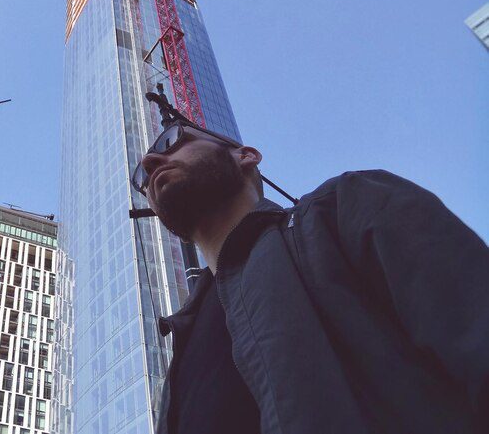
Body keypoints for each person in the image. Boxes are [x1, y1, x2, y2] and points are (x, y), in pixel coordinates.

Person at [129, 121, 489, 434]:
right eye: (141, 179)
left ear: (246, 156)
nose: (150, 162)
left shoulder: (343, 208)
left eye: (172, 140)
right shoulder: (181, 350)